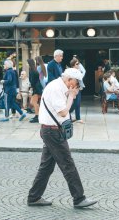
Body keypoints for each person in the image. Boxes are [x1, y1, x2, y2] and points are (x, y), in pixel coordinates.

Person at [27, 68, 97, 209]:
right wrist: (71, 96)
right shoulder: (56, 88)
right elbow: (63, 112)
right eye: (76, 83)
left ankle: (34, 197)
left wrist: (70, 95)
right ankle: (79, 198)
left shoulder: (57, 86)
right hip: (53, 132)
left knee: (46, 167)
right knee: (68, 164)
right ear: (69, 79)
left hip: (50, 131)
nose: (76, 87)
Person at [69, 57, 86, 123]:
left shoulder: (77, 70)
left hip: (78, 88)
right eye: (77, 64)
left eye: (78, 64)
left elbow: (83, 72)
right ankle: (67, 112)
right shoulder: (72, 71)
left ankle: (78, 117)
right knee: (75, 103)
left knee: (78, 103)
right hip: (74, 88)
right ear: (73, 65)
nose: (78, 65)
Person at [28, 59, 42, 123]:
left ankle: (37, 116)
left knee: (34, 102)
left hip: (36, 88)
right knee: (34, 102)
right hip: (37, 88)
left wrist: (31, 87)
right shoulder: (35, 70)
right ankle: (37, 115)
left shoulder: (32, 71)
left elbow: (32, 81)